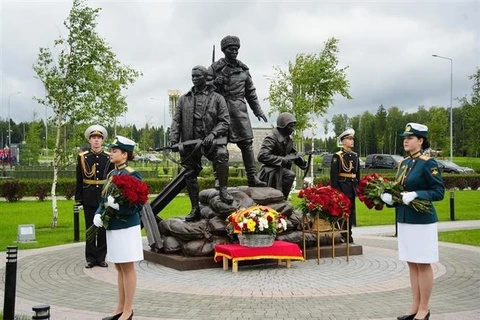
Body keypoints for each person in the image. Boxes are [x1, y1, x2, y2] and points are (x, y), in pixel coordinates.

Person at [380, 123, 444, 320]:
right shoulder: (404, 164)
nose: (406, 140)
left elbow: (438, 192)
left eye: (411, 137)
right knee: (412, 263)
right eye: (405, 138)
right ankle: (415, 306)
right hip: (405, 219)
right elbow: (401, 192)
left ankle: (424, 308)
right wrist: (390, 198)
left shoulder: (428, 163)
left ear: (421, 141)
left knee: (423, 264)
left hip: (422, 222)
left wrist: (417, 194)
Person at [170, 65, 233, 222]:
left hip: (211, 141)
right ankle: (195, 208)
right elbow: (176, 121)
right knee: (190, 173)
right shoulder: (184, 99)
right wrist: (173, 140)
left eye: (197, 76)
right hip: (191, 142)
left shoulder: (217, 98)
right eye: (192, 76)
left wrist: (213, 134)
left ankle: (223, 190)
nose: (194, 78)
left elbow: (225, 121)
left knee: (222, 154)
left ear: (205, 77)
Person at [207, 35, 268, 188]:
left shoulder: (243, 70)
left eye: (236, 49)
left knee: (246, 144)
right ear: (224, 50)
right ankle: (219, 179)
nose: (234, 51)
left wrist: (257, 110)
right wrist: (214, 83)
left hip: (239, 110)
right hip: (221, 110)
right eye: (230, 49)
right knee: (219, 145)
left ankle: (252, 177)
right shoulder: (214, 68)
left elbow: (251, 92)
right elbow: (203, 88)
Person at [94, 135, 144, 320]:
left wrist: (119, 207)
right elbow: (103, 198)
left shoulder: (132, 174)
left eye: (114, 151)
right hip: (113, 226)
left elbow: (138, 204)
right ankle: (120, 307)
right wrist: (99, 212)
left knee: (127, 267)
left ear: (124, 155)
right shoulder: (112, 174)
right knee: (119, 268)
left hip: (126, 227)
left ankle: (128, 310)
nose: (111, 153)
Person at [75, 125, 114, 268]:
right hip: (88, 196)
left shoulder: (108, 158)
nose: (96, 141)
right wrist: (78, 198)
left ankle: (101, 257)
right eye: (93, 138)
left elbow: (111, 179)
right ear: (90, 140)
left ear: (102, 140)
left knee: (103, 227)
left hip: (103, 197)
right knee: (90, 227)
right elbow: (79, 178)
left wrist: (111, 197)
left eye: (99, 138)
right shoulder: (83, 157)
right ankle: (91, 258)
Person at [257, 112, 307, 200]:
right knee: (290, 175)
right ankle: (281, 200)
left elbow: (293, 153)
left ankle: (282, 200)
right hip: (269, 172)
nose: (293, 129)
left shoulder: (289, 139)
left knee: (289, 174)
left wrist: (300, 161)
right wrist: (282, 160)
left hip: (280, 170)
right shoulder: (271, 138)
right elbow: (262, 156)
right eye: (290, 126)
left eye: (293, 126)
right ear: (283, 126)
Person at [330, 128, 360, 243]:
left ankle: (349, 232)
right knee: (343, 212)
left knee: (351, 212)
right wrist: (335, 191)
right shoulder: (337, 156)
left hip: (351, 187)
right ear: (343, 141)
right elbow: (334, 176)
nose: (351, 141)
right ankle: (343, 233)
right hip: (342, 187)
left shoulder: (355, 156)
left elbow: (357, 174)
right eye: (349, 139)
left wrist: (357, 187)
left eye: (352, 139)